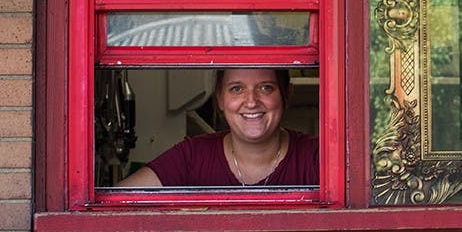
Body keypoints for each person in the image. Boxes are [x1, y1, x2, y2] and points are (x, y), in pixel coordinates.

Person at [116, 67, 319, 187]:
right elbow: (113, 206)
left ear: (287, 95)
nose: (251, 102)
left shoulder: (316, 158)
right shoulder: (193, 157)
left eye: (266, 87)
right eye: (236, 89)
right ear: (220, 98)